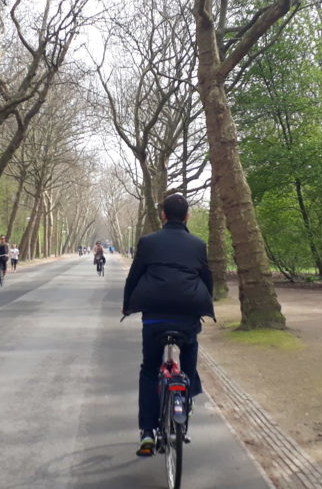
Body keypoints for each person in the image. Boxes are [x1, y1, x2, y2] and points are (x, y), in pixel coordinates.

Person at [122, 194, 213, 457]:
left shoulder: (148, 242)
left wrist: (127, 304)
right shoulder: (198, 244)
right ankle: (186, 396)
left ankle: (147, 433)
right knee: (190, 351)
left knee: (149, 370)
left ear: (162, 215)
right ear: (187, 216)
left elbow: (135, 275)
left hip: (154, 317)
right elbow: (207, 280)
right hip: (187, 316)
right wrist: (204, 308)